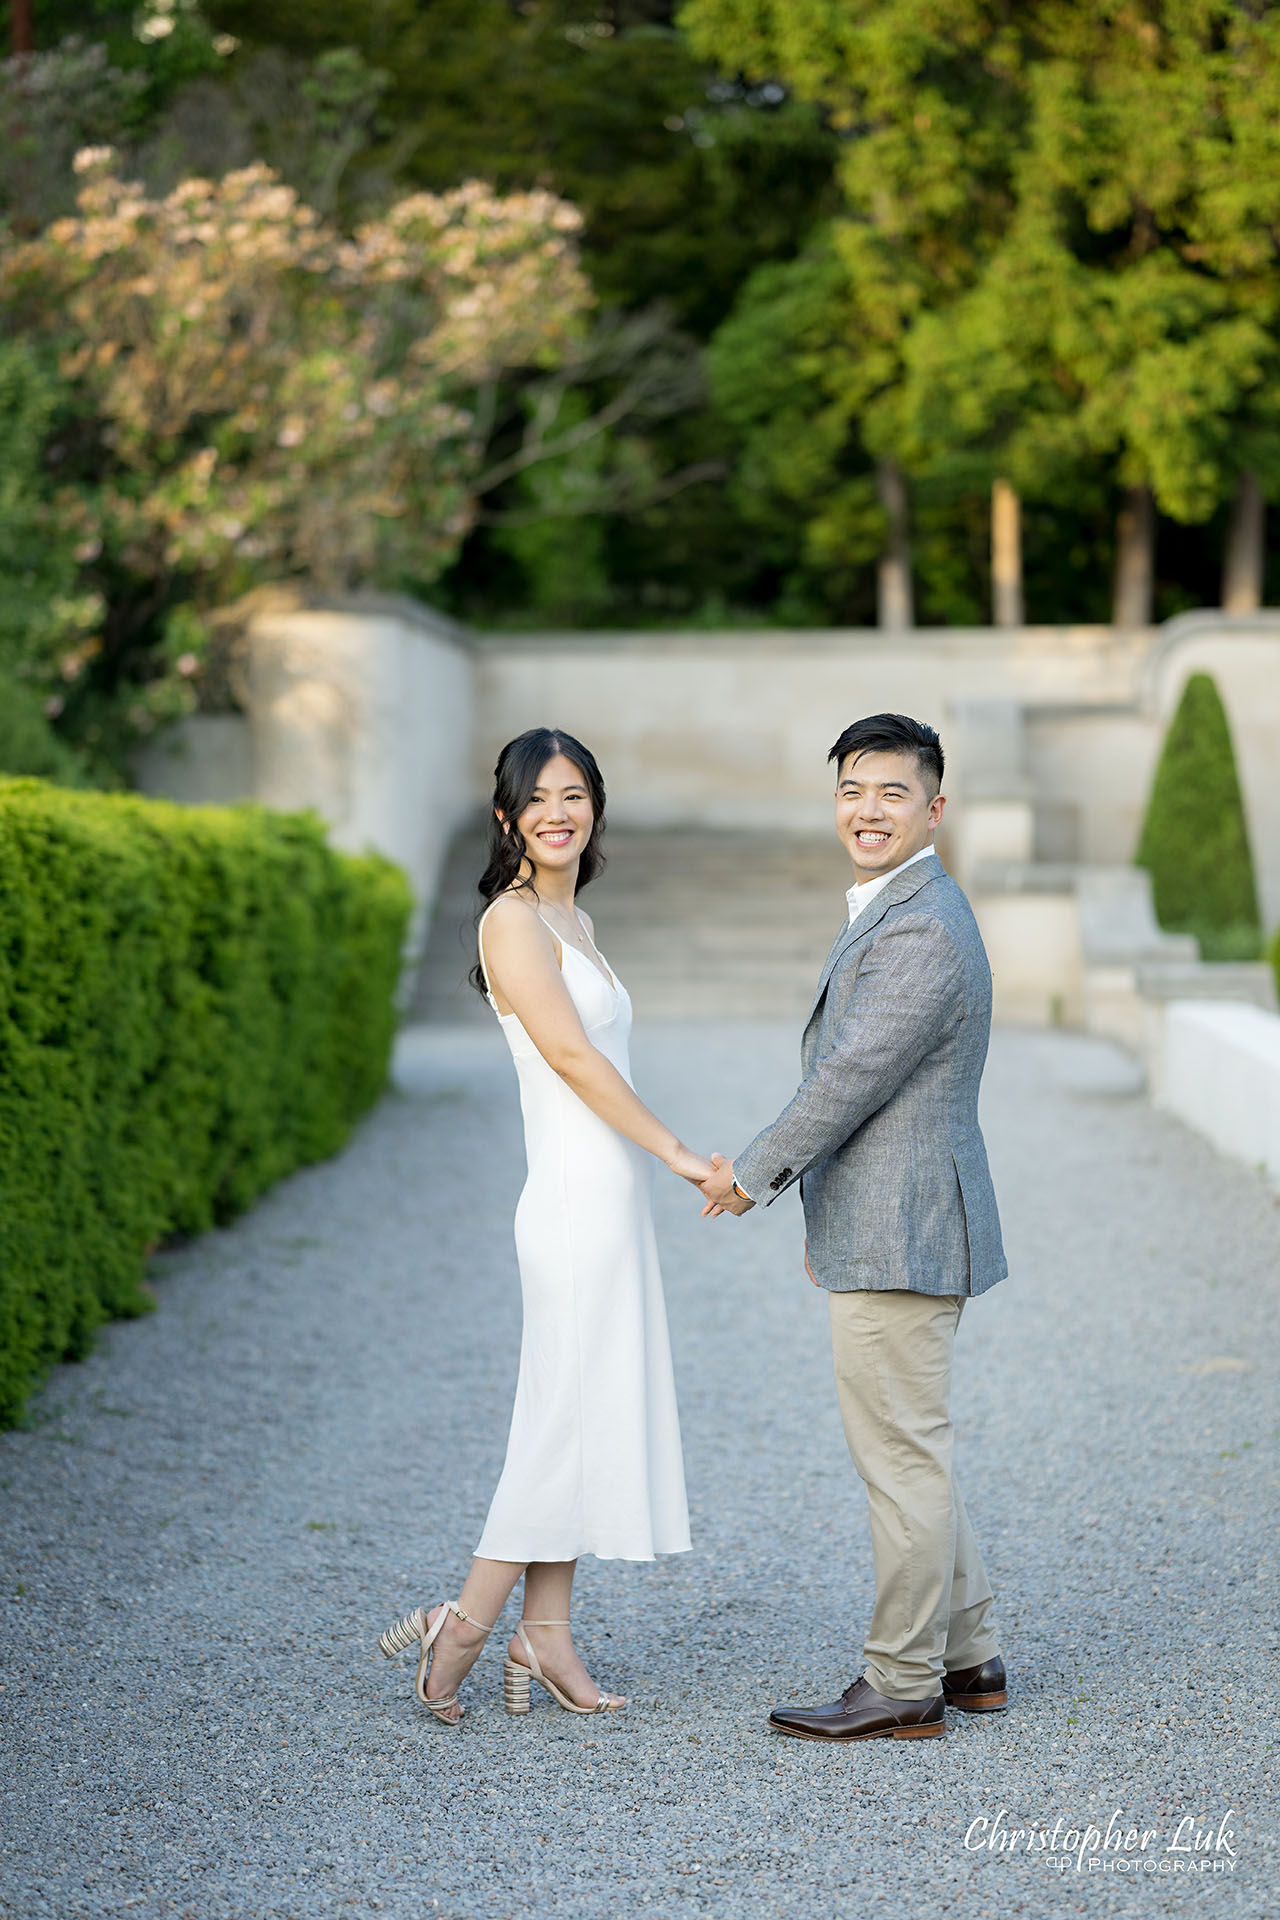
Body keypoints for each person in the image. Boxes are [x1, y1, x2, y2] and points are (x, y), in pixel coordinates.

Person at [376, 726, 707, 1725]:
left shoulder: (576, 923)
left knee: (576, 1411)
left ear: (593, 807)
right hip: (571, 1199)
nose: (558, 813)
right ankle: (464, 1625)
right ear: (505, 817)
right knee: (553, 1422)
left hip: (605, 1202)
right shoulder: (510, 922)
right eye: (538, 798)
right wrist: (677, 1151)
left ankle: (547, 1632)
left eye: (575, 794)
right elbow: (567, 1056)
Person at [699, 712, 1008, 1743]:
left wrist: (750, 1175)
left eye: (889, 792)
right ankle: (967, 1659)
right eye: (850, 791)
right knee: (912, 1448)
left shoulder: (920, 922)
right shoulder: (898, 904)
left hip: (905, 1227)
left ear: (933, 807)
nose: (865, 810)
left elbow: (850, 1077)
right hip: (888, 1219)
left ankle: (900, 1682)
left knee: (901, 1462)